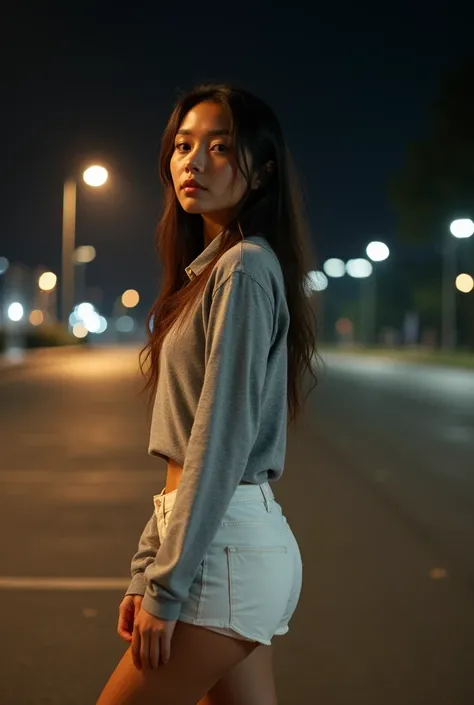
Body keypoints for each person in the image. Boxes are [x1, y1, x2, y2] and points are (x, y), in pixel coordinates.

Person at [96, 83, 317, 705]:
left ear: (263, 170)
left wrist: (164, 587)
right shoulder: (213, 273)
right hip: (220, 547)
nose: (193, 162)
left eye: (220, 148)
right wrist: (147, 570)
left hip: (222, 556)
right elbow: (181, 455)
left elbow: (216, 447)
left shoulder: (244, 270)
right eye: (183, 145)